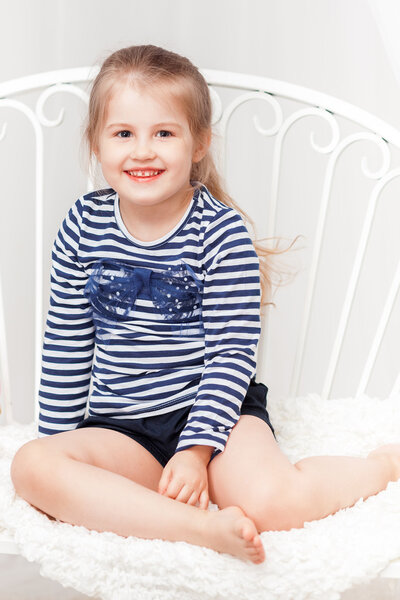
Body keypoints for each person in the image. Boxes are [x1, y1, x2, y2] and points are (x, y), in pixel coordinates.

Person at [10, 45, 400, 566]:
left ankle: (379, 467)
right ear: (96, 143)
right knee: (32, 466)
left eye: (164, 133)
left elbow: (232, 354)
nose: (142, 151)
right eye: (124, 133)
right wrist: (62, 452)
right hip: (124, 428)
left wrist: (195, 453)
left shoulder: (219, 232)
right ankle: (199, 528)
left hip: (217, 417)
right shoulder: (83, 225)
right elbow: (67, 340)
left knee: (270, 504)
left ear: (198, 144)